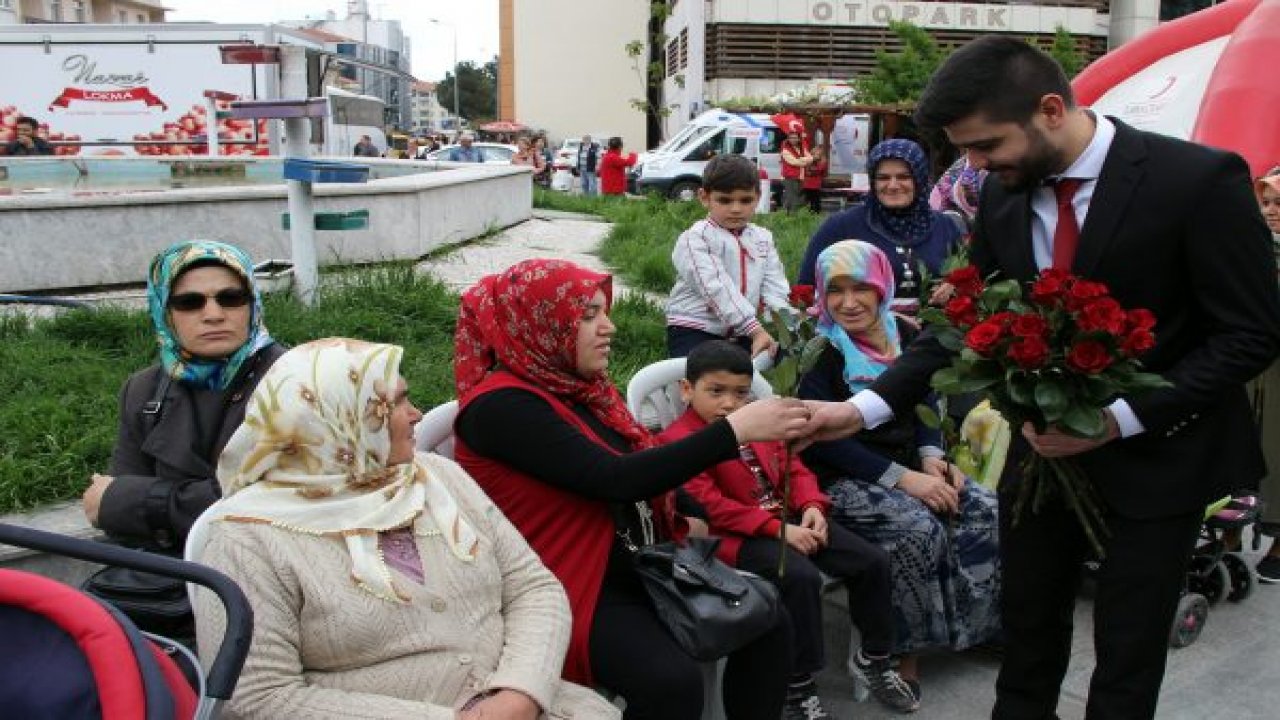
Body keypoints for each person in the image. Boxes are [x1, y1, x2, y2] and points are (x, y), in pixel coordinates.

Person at [799, 37, 1280, 719]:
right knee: (1026, 639)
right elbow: (966, 318)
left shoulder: (1199, 181)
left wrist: (1114, 419)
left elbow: (1251, 333)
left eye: (986, 145)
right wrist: (866, 408)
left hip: (1162, 458)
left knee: (1126, 654)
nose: (974, 166)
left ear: (1051, 109)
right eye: (965, 150)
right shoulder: (1002, 192)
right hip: (1043, 464)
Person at [453, 258, 811, 720]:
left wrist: (683, 505)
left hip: (638, 561)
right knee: (670, 682)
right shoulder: (501, 407)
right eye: (586, 316)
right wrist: (733, 431)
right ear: (537, 322)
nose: (608, 327)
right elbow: (613, 479)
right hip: (569, 583)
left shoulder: (579, 388)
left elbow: (633, 456)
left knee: (767, 619)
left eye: (604, 311)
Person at [194, 339, 619, 719]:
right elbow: (257, 698)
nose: (416, 414)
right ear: (338, 421)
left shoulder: (433, 477)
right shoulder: (246, 539)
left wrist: (521, 692)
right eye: (395, 403)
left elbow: (532, 586)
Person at [657, 340, 920, 717]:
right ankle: (797, 683)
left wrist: (813, 506)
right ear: (687, 390)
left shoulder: (759, 425)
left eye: (740, 394)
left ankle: (875, 656)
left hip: (789, 519)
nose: (730, 404)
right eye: (715, 392)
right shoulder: (679, 442)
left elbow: (794, 467)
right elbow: (711, 506)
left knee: (872, 560)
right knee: (798, 576)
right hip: (736, 536)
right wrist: (777, 530)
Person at [796, 240, 1001, 699]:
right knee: (916, 528)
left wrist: (932, 456)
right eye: (836, 290)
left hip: (910, 464)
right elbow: (825, 444)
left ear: (883, 286)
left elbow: (924, 395)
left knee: (985, 507)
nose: (848, 303)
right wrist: (904, 479)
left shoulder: (905, 333)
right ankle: (899, 653)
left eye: (861, 288)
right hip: (841, 477)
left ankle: (975, 625)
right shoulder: (819, 350)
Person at [83, 240, 284, 553]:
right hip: (168, 580)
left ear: (253, 304)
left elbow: (272, 501)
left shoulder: (296, 379)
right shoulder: (144, 391)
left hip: (267, 572)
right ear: (164, 310)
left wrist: (140, 501)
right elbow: (117, 515)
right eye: (190, 303)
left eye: (231, 298)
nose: (213, 314)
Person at [797, 139, 963, 317]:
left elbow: (965, 282)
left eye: (903, 177)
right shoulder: (842, 227)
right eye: (883, 178)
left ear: (919, 179)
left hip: (932, 339)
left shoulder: (944, 227)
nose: (892, 185)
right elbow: (806, 290)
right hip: (859, 340)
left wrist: (953, 288)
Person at [664, 153, 790, 359]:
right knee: (700, 379)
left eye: (745, 200)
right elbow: (715, 287)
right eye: (725, 200)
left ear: (758, 197)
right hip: (696, 327)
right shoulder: (696, 238)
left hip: (743, 330)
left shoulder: (762, 238)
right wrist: (755, 329)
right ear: (704, 198)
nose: (736, 209)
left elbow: (774, 285)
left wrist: (784, 323)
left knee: (772, 366)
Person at [1252, 166, 1280, 583]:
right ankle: (1228, 529)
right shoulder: (1255, 247)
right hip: (1254, 366)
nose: (1272, 211)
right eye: (1267, 203)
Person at [780, 131, 813, 213]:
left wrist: (801, 160)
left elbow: (811, 158)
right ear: (788, 139)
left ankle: (788, 215)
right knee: (792, 198)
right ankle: (790, 216)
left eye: (795, 138)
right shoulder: (785, 150)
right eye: (791, 138)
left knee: (797, 198)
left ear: (798, 139)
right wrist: (804, 160)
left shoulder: (801, 148)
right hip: (790, 177)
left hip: (800, 177)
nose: (793, 140)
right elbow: (794, 162)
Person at [802, 145, 828, 214]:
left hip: (816, 185)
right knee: (807, 200)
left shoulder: (823, 162)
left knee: (816, 200)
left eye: (818, 154)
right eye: (814, 154)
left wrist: (811, 170)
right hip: (807, 184)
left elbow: (818, 170)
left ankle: (817, 213)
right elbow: (806, 171)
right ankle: (807, 213)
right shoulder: (808, 161)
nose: (815, 156)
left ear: (821, 155)